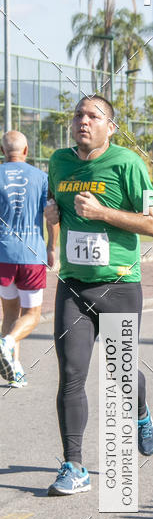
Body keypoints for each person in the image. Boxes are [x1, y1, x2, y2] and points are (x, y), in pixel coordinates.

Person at [44, 94, 153, 496]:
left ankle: (141, 413)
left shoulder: (128, 164)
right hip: (74, 285)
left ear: (110, 127)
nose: (83, 120)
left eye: (94, 115)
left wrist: (102, 214)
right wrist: (52, 230)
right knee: (72, 375)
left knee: (121, 374)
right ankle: (73, 465)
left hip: (119, 286)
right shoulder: (59, 162)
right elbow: (56, 208)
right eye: (78, 114)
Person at [0, 130, 51, 388]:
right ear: (27, 150)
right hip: (32, 254)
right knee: (32, 313)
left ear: (2, 151)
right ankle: (6, 344)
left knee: (10, 312)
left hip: (3, 255)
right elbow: (52, 214)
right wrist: (53, 247)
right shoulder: (41, 177)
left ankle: (14, 373)